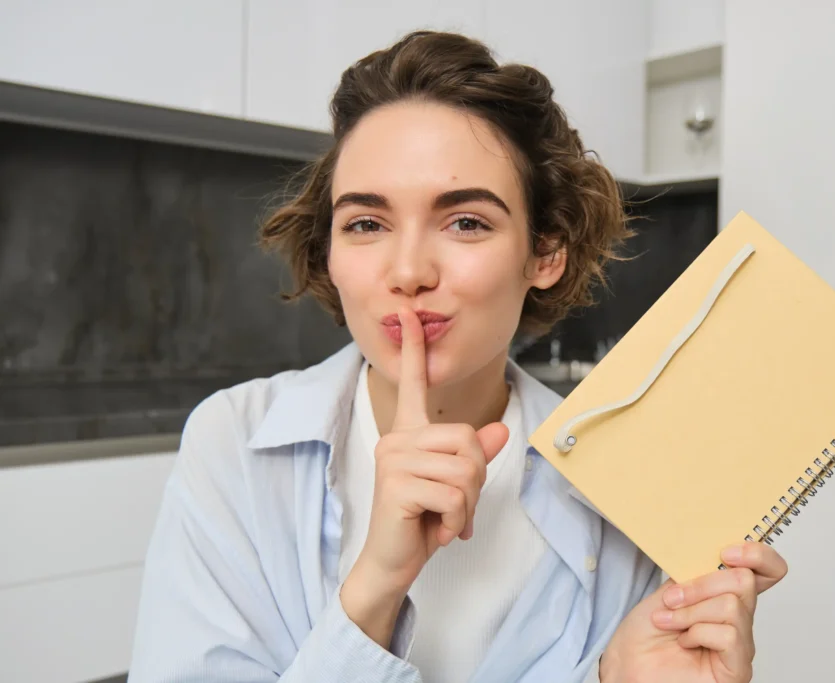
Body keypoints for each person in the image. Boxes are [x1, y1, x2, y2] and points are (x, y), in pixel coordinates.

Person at [128, 30, 788, 683]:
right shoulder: (234, 447)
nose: (409, 270)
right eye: (366, 223)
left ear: (545, 253)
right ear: (327, 247)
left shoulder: (624, 490)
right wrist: (374, 589)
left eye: (465, 221)